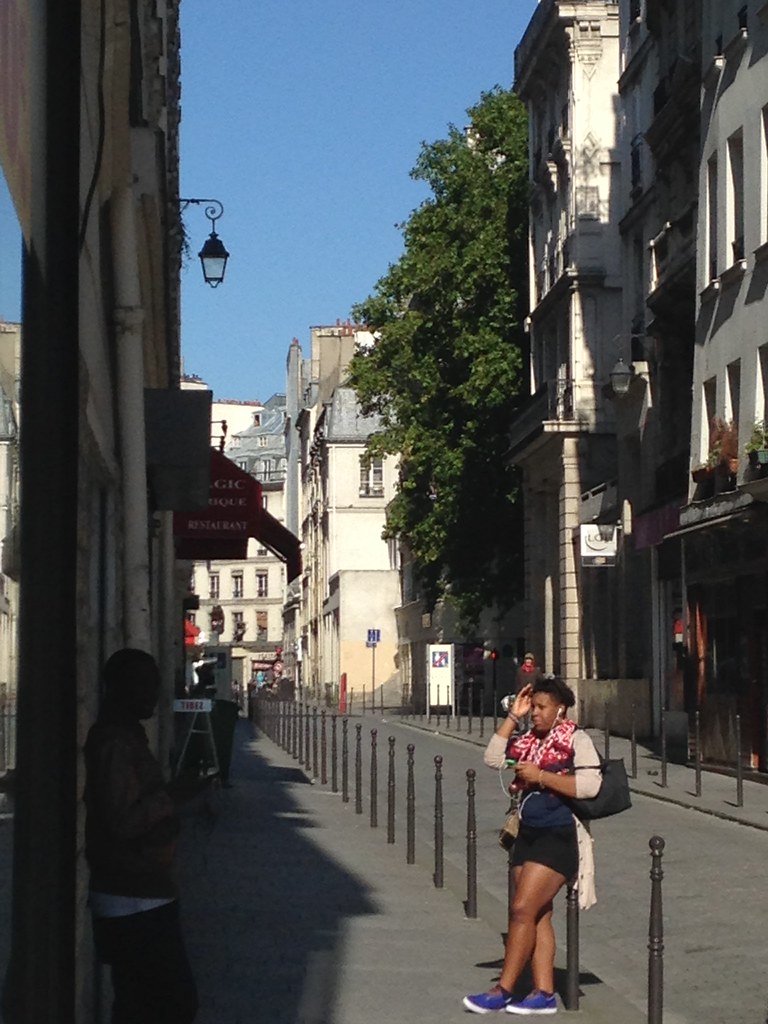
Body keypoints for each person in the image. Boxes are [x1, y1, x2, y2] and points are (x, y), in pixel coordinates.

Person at [463, 678, 601, 1016]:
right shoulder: (527, 741)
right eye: (533, 707)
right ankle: (543, 993)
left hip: (558, 836)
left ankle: (503, 989)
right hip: (526, 834)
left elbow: (590, 785)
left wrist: (542, 777)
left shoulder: (575, 740)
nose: (535, 714)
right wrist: (514, 715)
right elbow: (493, 758)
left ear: (560, 709)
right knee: (538, 915)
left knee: (522, 909)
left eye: (541, 707)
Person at [83, 648, 199, 1023]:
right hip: (131, 894)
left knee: (142, 1002)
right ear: (117, 688)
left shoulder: (126, 734)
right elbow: (123, 821)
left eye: (154, 684)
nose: (153, 694)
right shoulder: (116, 742)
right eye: (143, 685)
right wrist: (172, 798)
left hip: (140, 889)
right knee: (169, 1003)